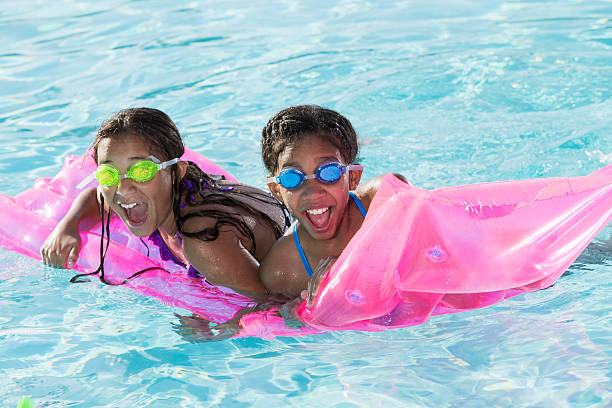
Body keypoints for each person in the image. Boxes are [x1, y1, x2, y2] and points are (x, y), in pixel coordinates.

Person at [41, 107, 290, 300]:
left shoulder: (204, 240)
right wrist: (68, 227)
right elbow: (96, 198)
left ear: (177, 172)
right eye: (109, 174)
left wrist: (210, 325)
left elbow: (272, 304)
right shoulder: (158, 199)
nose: (122, 188)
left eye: (141, 171)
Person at [259, 105, 405, 298]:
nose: (312, 192)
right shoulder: (282, 271)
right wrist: (313, 303)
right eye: (292, 178)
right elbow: (284, 321)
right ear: (277, 190)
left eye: (329, 172)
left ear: (353, 177)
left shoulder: (384, 200)